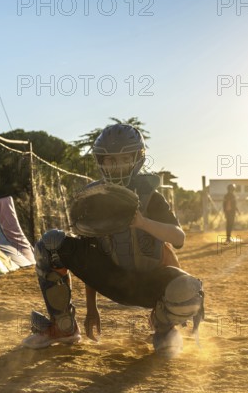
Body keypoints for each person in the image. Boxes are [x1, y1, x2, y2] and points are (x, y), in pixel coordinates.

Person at [22, 123, 204, 354]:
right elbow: (91, 256)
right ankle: (63, 326)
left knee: (188, 288)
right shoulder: (95, 198)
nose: (116, 165)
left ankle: (163, 326)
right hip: (111, 279)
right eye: (109, 159)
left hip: (149, 284)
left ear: (138, 158)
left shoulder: (151, 197)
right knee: (51, 244)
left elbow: (178, 238)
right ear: (100, 161)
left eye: (124, 158)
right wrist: (92, 309)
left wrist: (142, 223)